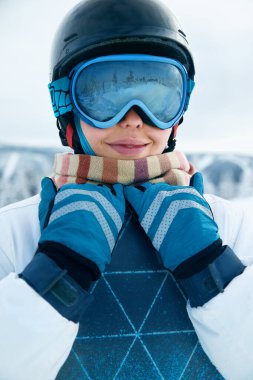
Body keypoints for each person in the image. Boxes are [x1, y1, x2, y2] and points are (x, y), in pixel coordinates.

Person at [0, 0, 253, 379]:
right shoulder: (14, 233)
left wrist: (212, 268)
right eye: (105, 95)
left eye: (157, 97)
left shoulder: (234, 227)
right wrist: (57, 270)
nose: (134, 120)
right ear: (66, 104)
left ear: (180, 110)